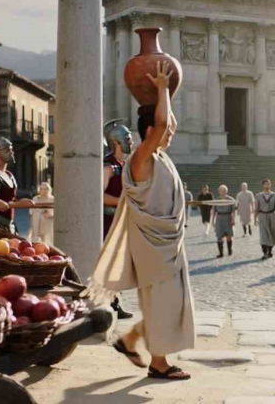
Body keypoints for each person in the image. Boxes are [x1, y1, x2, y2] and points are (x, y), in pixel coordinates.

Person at [93, 61, 194, 379]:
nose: (171, 132)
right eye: (166, 130)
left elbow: (166, 122)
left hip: (167, 243)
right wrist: (162, 88)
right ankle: (159, 364)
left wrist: (166, 95)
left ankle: (132, 337)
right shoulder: (141, 158)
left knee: (170, 301)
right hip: (154, 245)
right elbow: (163, 125)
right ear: (150, 132)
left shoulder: (160, 157)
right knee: (163, 301)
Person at [102, 120, 135, 320]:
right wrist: (123, 201)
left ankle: (115, 303)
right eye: (128, 138)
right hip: (108, 221)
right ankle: (109, 304)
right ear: (116, 142)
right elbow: (100, 195)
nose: (131, 142)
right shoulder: (109, 166)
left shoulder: (124, 165)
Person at [0, 137, 34, 233]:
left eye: (11, 149)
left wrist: (22, 202)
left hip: (10, 224)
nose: (11, 152)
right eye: (7, 149)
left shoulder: (9, 175)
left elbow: (11, 199)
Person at [255, 179, 275, 259]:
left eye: (268, 184)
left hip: (272, 216)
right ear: (263, 185)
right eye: (265, 184)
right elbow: (256, 208)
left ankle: (269, 251)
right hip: (262, 216)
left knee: (272, 234)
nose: (266, 185)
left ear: (270, 185)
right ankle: (265, 253)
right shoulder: (258, 196)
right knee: (263, 235)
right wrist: (255, 219)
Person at [211, 185, 237, 258]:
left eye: (223, 191)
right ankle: (221, 253)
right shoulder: (216, 200)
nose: (222, 192)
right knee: (219, 236)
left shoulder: (231, 200)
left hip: (228, 217)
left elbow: (234, 211)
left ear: (226, 191)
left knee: (229, 236)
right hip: (219, 219)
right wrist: (212, 221)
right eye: (220, 191)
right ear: (219, 191)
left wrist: (233, 219)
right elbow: (214, 211)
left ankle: (229, 250)